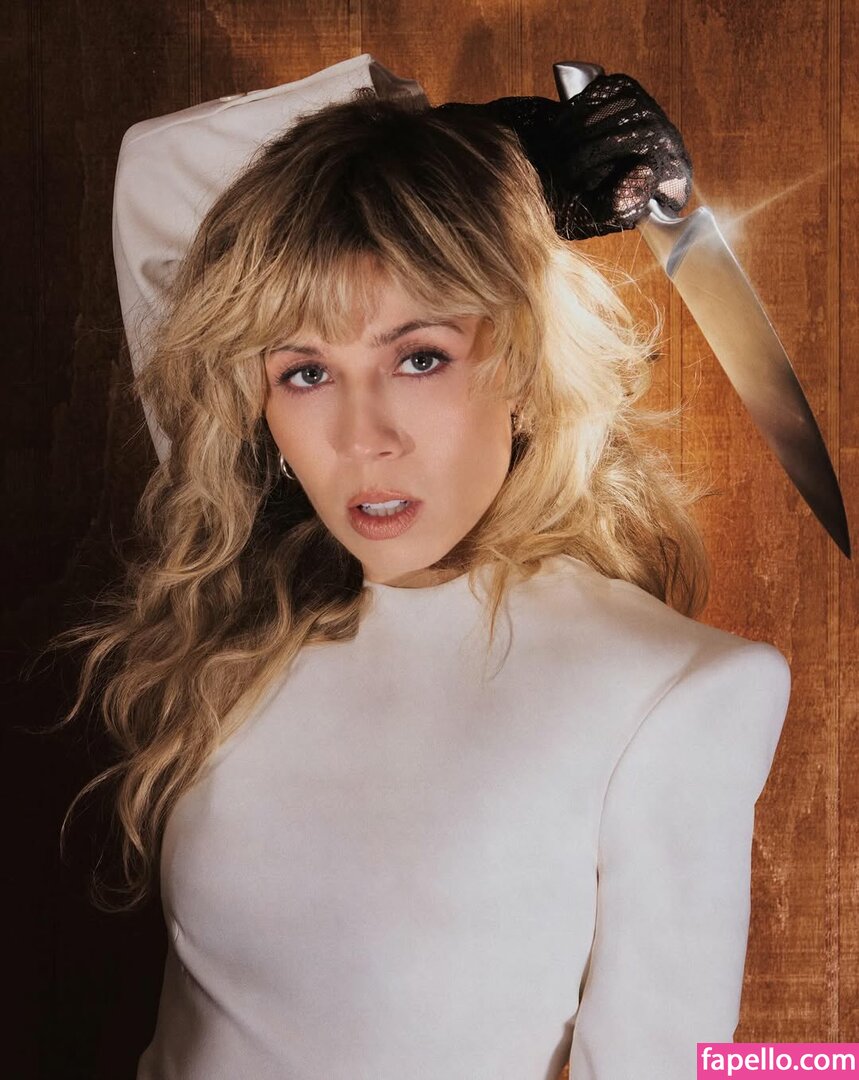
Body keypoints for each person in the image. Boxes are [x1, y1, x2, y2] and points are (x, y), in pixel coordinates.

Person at [52, 54, 791, 1080]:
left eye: (419, 357)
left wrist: (468, 189)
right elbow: (162, 167)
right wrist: (492, 152)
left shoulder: (678, 692)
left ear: (522, 364)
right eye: (305, 372)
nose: (363, 437)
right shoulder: (254, 606)